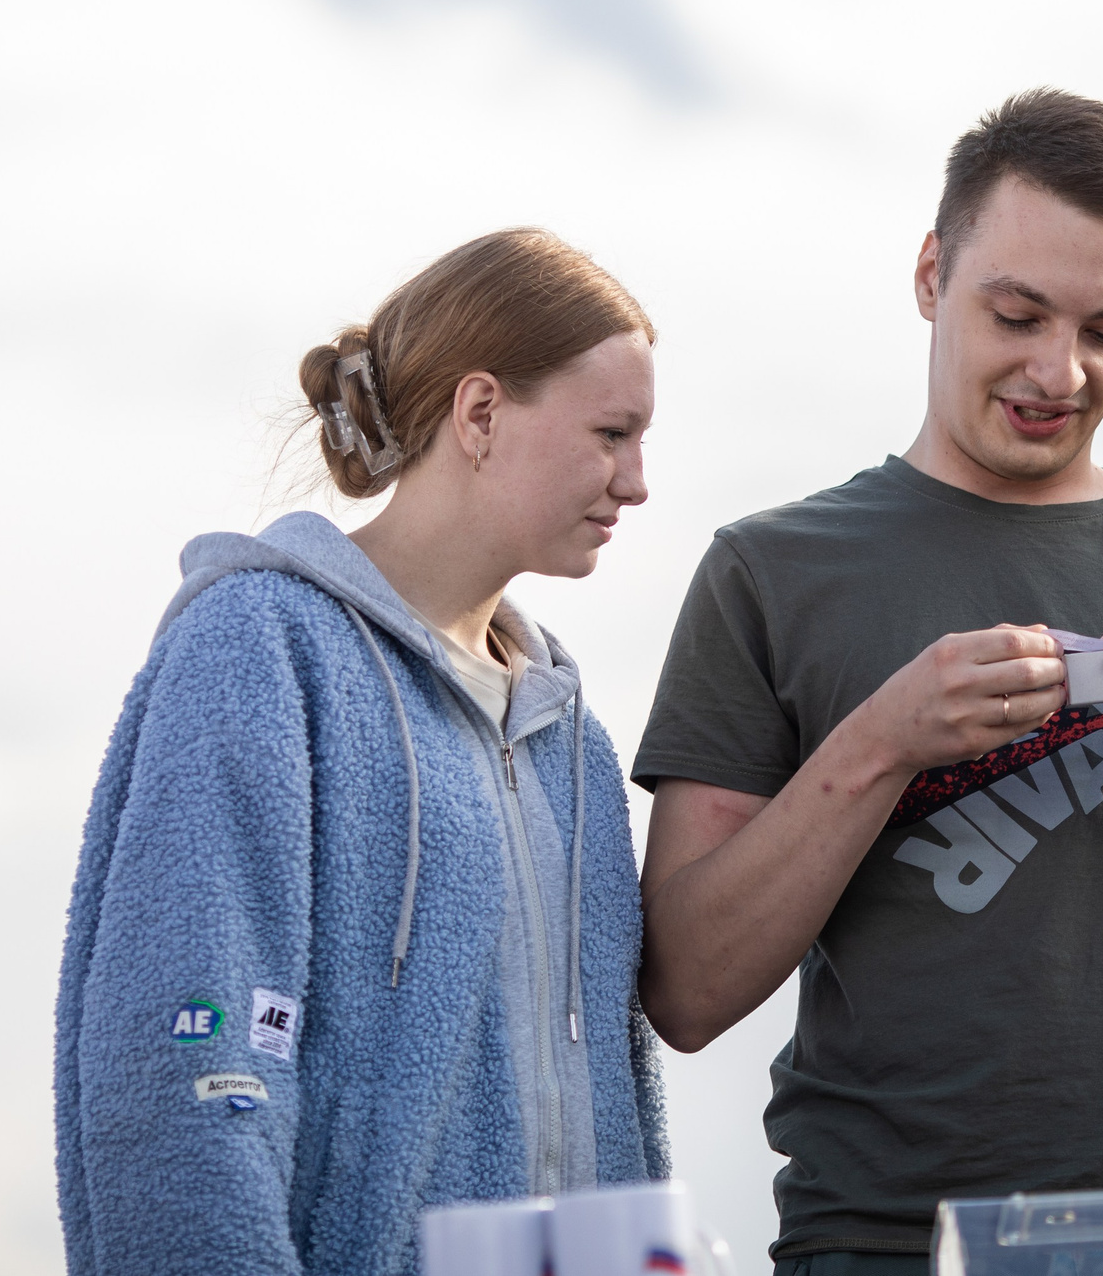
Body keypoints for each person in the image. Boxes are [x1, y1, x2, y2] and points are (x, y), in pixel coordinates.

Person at [634, 89, 1103, 1275]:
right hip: (895, 1240)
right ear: (929, 275)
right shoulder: (769, 570)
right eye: (1018, 312)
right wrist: (884, 738)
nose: (1061, 369)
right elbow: (687, 990)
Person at [55, 229, 670, 1276]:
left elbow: (617, 1100)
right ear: (480, 413)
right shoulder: (258, 651)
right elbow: (182, 1061)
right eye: (613, 431)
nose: (638, 480)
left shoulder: (574, 742)